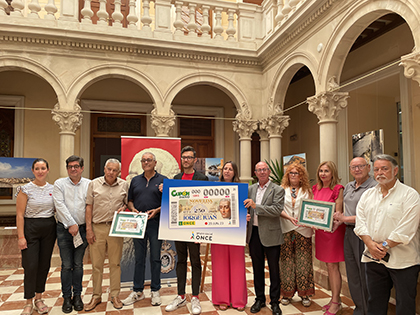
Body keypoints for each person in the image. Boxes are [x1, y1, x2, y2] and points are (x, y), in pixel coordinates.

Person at [354, 154, 420, 315]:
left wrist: (384, 246)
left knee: (405, 303)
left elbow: (407, 228)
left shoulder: (410, 195)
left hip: (403, 261)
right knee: (375, 301)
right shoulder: (367, 195)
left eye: (384, 168)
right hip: (373, 258)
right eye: (376, 169)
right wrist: (370, 244)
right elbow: (360, 222)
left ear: (395, 170)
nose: (379, 172)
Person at [165, 146, 208, 315]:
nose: (186, 160)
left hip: (195, 227)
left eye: (189, 157)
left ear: (195, 160)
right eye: (184, 157)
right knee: (181, 261)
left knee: (195, 261)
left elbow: (207, 204)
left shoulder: (202, 178)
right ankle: (181, 295)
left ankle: (195, 297)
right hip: (179, 227)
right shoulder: (176, 178)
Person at [122, 152, 167, 307]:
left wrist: (157, 210)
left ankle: (155, 290)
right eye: (144, 160)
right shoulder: (135, 181)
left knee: (155, 258)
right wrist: (133, 210)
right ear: (141, 163)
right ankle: (138, 291)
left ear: (155, 163)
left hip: (155, 223)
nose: (146, 162)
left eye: (149, 160)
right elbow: (130, 201)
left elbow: (170, 201)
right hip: (138, 223)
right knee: (139, 258)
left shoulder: (163, 180)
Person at [333, 157, 376, 315]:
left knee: (365, 274)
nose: (357, 170)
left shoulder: (374, 187)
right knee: (353, 274)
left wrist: (344, 219)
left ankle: (368, 310)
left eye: (361, 166)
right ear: (350, 169)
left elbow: (371, 215)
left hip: (365, 234)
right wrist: (340, 220)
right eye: (354, 167)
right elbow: (347, 211)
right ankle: (359, 308)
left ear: (368, 167)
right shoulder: (349, 186)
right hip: (349, 233)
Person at [84, 158, 128, 311]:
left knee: (115, 264)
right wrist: (89, 229)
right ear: (104, 169)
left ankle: (115, 295)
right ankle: (96, 296)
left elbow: (127, 203)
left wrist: (124, 208)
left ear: (119, 172)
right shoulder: (93, 184)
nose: (111, 172)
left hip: (116, 229)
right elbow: (88, 207)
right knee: (97, 264)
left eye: (114, 170)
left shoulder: (124, 185)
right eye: (109, 169)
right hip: (98, 228)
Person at [16, 158, 57, 315]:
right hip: (30, 229)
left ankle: (39, 298)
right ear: (33, 171)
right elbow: (19, 215)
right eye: (37, 168)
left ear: (47, 170)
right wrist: (21, 236)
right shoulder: (25, 189)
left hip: (48, 228)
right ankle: (28, 301)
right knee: (31, 265)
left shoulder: (53, 188)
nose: (40, 171)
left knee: (44, 265)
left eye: (43, 168)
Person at [244, 161, 284, 315]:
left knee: (274, 270)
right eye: (258, 170)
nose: (261, 172)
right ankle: (259, 299)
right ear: (255, 173)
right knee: (257, 268)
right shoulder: (250, 189)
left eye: (264, 170)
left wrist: (256, 207)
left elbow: (276, 210)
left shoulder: (278, 189)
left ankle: (275, 302)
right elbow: (245, 207)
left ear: (268, 172)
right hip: (254, 234)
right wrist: (245, 216)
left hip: (271, 234)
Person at [53, 155, 91, 313]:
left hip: (81, 230)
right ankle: (66, 298)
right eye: (70, 166)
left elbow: (91, 205)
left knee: (78, 265)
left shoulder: (89, 184)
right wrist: (71, 224)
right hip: (64, 230)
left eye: (76, 166)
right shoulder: (59, 184)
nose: (73, 169)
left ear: (82, 168)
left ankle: (78, 296)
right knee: (66, 265)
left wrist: (79, 226)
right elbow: (59, 205)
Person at [211, 161, 247, 311]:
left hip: (236, 232)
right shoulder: (213, 188)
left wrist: (246, 215)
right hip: (218, 232)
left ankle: (238, 300)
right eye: (225, 168)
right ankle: (222, 299)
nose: (227, 171)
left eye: (230, 169)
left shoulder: (241, 189)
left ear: (234, 172)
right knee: (219, 265)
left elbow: (244, 207)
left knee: (237, 264)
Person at [279, 163, 315, 307]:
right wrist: (289, 218)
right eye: (291, 173)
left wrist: (309, 221)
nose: (293, 176)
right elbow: (278, 208)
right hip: (286, 228)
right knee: (286, 262)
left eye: (296, 173)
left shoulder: (308, 190)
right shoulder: (282, 190)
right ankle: (287, 294)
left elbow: (312, 209)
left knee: (303, 262)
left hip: (303, 230)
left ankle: (305, 294)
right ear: (287, 175)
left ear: (301, 176)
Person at [313, 161, 344, 315]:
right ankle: (334, 299)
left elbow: (338, 214)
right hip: (320, 232)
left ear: (333, 173)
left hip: (333, 232)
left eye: (326, 171)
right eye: (321, 171)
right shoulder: (315, 188)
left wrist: (325, 221)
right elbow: (312, 210)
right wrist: (311, 221)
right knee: (328, 266)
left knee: (333, 266)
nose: (323, 174)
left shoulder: (338, 189)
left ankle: (336, 302)